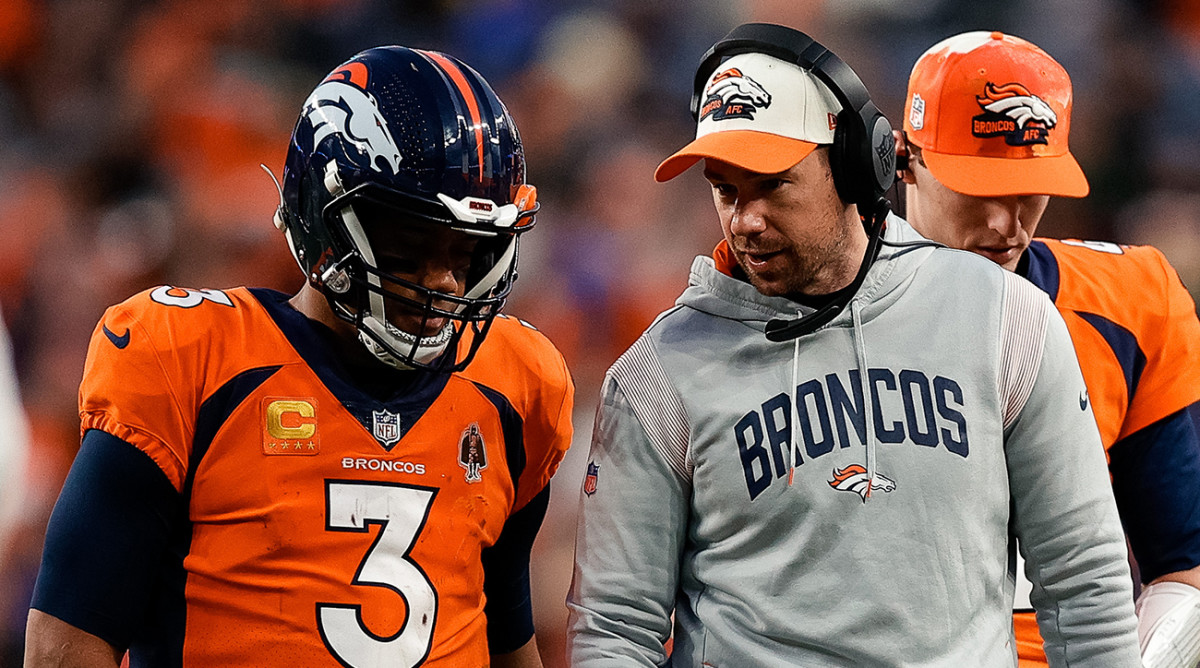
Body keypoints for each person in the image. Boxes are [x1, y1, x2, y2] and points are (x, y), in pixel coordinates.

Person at [565, 22, 1141, 666]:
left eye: (773, 184)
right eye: (726, 190)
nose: (745, 221)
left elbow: (1084, 581)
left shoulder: (1006, 321)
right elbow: (614, 629)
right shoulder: (658, 375)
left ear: (856, 165)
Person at [23, 45, 574, 668]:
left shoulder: (514, 384)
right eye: (409, 245)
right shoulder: (194, 358)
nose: (444, 281)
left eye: (467, 251)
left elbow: (505, 634)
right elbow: (68, 636)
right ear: (324, 222)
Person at [895, 30, 1200, 668]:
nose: (1007, 224)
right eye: (979, 186)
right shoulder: (816, 307)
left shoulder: (1131, 303)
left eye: (1028, 187)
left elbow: (1187, 563)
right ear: (902, 159)